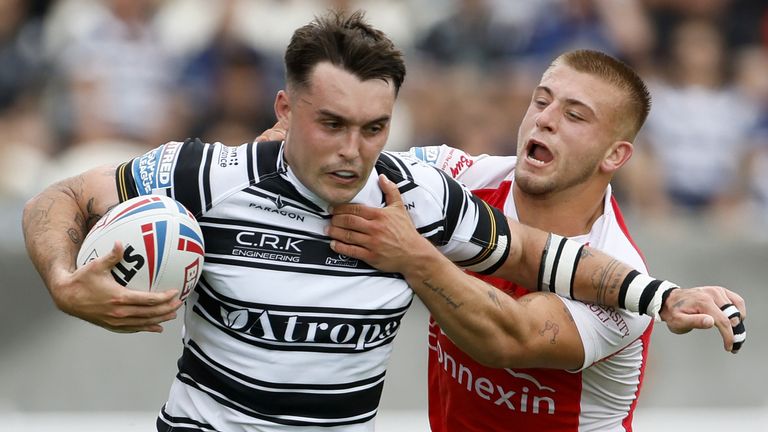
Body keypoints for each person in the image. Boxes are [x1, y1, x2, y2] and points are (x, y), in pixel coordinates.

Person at [22, 10, 744, 432]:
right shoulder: (440, 178)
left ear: (617, 152)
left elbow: (515, 330)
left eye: (373, 129)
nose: (354, 149)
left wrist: (665, 295)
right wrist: (60, 276)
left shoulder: (420, 205)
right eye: (542, 98)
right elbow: (58, 198)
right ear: (285, 110)